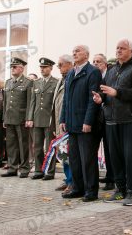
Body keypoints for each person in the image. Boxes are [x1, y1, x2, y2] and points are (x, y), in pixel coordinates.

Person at [93, 39, 132, 206]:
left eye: (122, 48)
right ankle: (120, 189)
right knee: (114, 157)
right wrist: (100, 98)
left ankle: (131, 191)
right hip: (111, 119)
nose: (118, 51)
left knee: (130, 157)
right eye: (117, 48)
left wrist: (117, 93)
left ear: (131, 50)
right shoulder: (112, 69)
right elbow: (106, 91)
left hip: (130, 119)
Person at [60, 45, 102, 202]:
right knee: (75, 159)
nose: (74, 53)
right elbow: (66, 99)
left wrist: (88, 121)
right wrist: (62, 119)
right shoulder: (71, 72)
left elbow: (94, 100)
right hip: (71, 124)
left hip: (85, 125)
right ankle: (77, 188)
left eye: (78, 51)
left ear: (87, 54)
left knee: (88, 160)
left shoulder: (93, 72)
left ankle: (91, 191)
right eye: (73, 51)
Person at [1, 57, 34, 178]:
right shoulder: (8, 82)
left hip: (21, 118)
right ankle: (12, 167)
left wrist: (28, 118)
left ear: (21, 68)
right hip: (9, 118)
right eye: (12, 67)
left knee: (23, 144)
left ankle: (25, 168)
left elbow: (30, 102)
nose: (12, 69)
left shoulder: (28, 82)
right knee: (11, 145)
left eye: (15, 67)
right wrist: (4, 118)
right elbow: (5, 102)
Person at [27, 57, 59, 180]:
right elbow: (32, 102)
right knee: (37, 146)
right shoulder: (36, 82)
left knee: (50, 147)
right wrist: (30, 117)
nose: (42, 69)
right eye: (41, 67)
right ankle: (38, 170)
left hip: (49, 119)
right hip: (37, 118)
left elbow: (55, 103)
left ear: (51, 68)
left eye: (45, 67)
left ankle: (50, 172)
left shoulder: (56, 82)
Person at [92, 53, 114, 191]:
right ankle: (97, 176)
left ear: (105, 64)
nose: (95, 64)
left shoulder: (110, 75)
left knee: (109, 149)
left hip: (108, 117)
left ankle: (111, 179)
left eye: (98, 61)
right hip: (95, 118)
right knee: (93, 149)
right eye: (93, 61)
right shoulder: (93, 76)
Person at [53, 54, 74, 192]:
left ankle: (73, 181)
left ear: (70, 64)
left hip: (69, 124)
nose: (59, 67)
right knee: (63, 153)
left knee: (71, 154)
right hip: (59, 124)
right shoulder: (61, 80)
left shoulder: (73, 78)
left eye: (61, 64)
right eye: (58, 65)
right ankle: (67, 179)